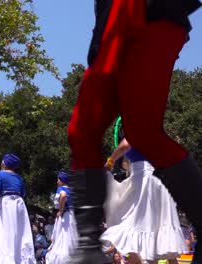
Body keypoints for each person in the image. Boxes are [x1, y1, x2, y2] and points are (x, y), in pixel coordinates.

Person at [66, 0, 202, 262]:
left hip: (151, 17)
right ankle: (87, 249)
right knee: (81, 130)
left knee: (143, 131)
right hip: (112, 21)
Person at [101, 138, 186, 262]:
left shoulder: (135, 127)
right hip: (160, 182)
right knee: (158, 235)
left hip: (145, 182)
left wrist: (110, 162)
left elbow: (125, 144)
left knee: (131, 223)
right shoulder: (156, 132)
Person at [0, 154, 35, 263]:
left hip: (6, 204)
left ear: (4, 163)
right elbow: (22, 193)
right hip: (19, 205)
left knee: (2, 231)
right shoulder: (19, 178)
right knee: (19, 233)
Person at [45, 172, 79, 264]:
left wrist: (60, 210)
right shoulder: (72, 190)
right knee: (69, 238)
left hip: (64, 216)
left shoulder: (61, 188)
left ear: (62, 181)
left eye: (58, 180)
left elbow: (63, 196)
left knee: (62, 238)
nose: (57, 182)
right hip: (71, 216)